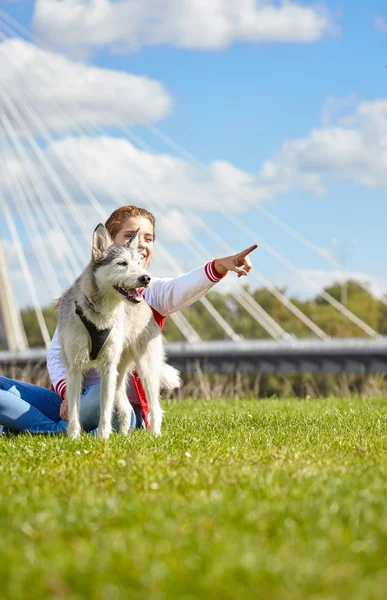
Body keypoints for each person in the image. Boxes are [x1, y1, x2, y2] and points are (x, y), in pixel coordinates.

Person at [0, 205, 257, 435]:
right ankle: (33, 424)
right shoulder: (80, 298)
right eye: (131, 236)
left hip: (114, 405)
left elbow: (182, 287)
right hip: (73, 399)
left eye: (149, 238)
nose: (142, 244)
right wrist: (67, 393)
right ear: (108, 244)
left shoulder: (149, 289)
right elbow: (57, 354)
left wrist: (221, 266)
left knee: (102, 395)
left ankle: (43, 430)